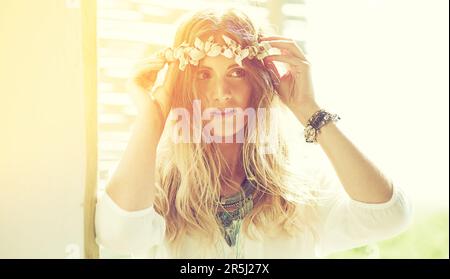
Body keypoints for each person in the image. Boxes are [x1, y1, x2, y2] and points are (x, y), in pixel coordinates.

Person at [94, 8, 412, 258]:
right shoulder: (154, 184)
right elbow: (118, 236)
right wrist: (152, 118)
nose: (221, 92)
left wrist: (308, 109)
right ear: (183, 86)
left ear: (258, 84)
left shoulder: (302, 189)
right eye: (203, 74)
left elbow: (388, 216)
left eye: (237, 72)